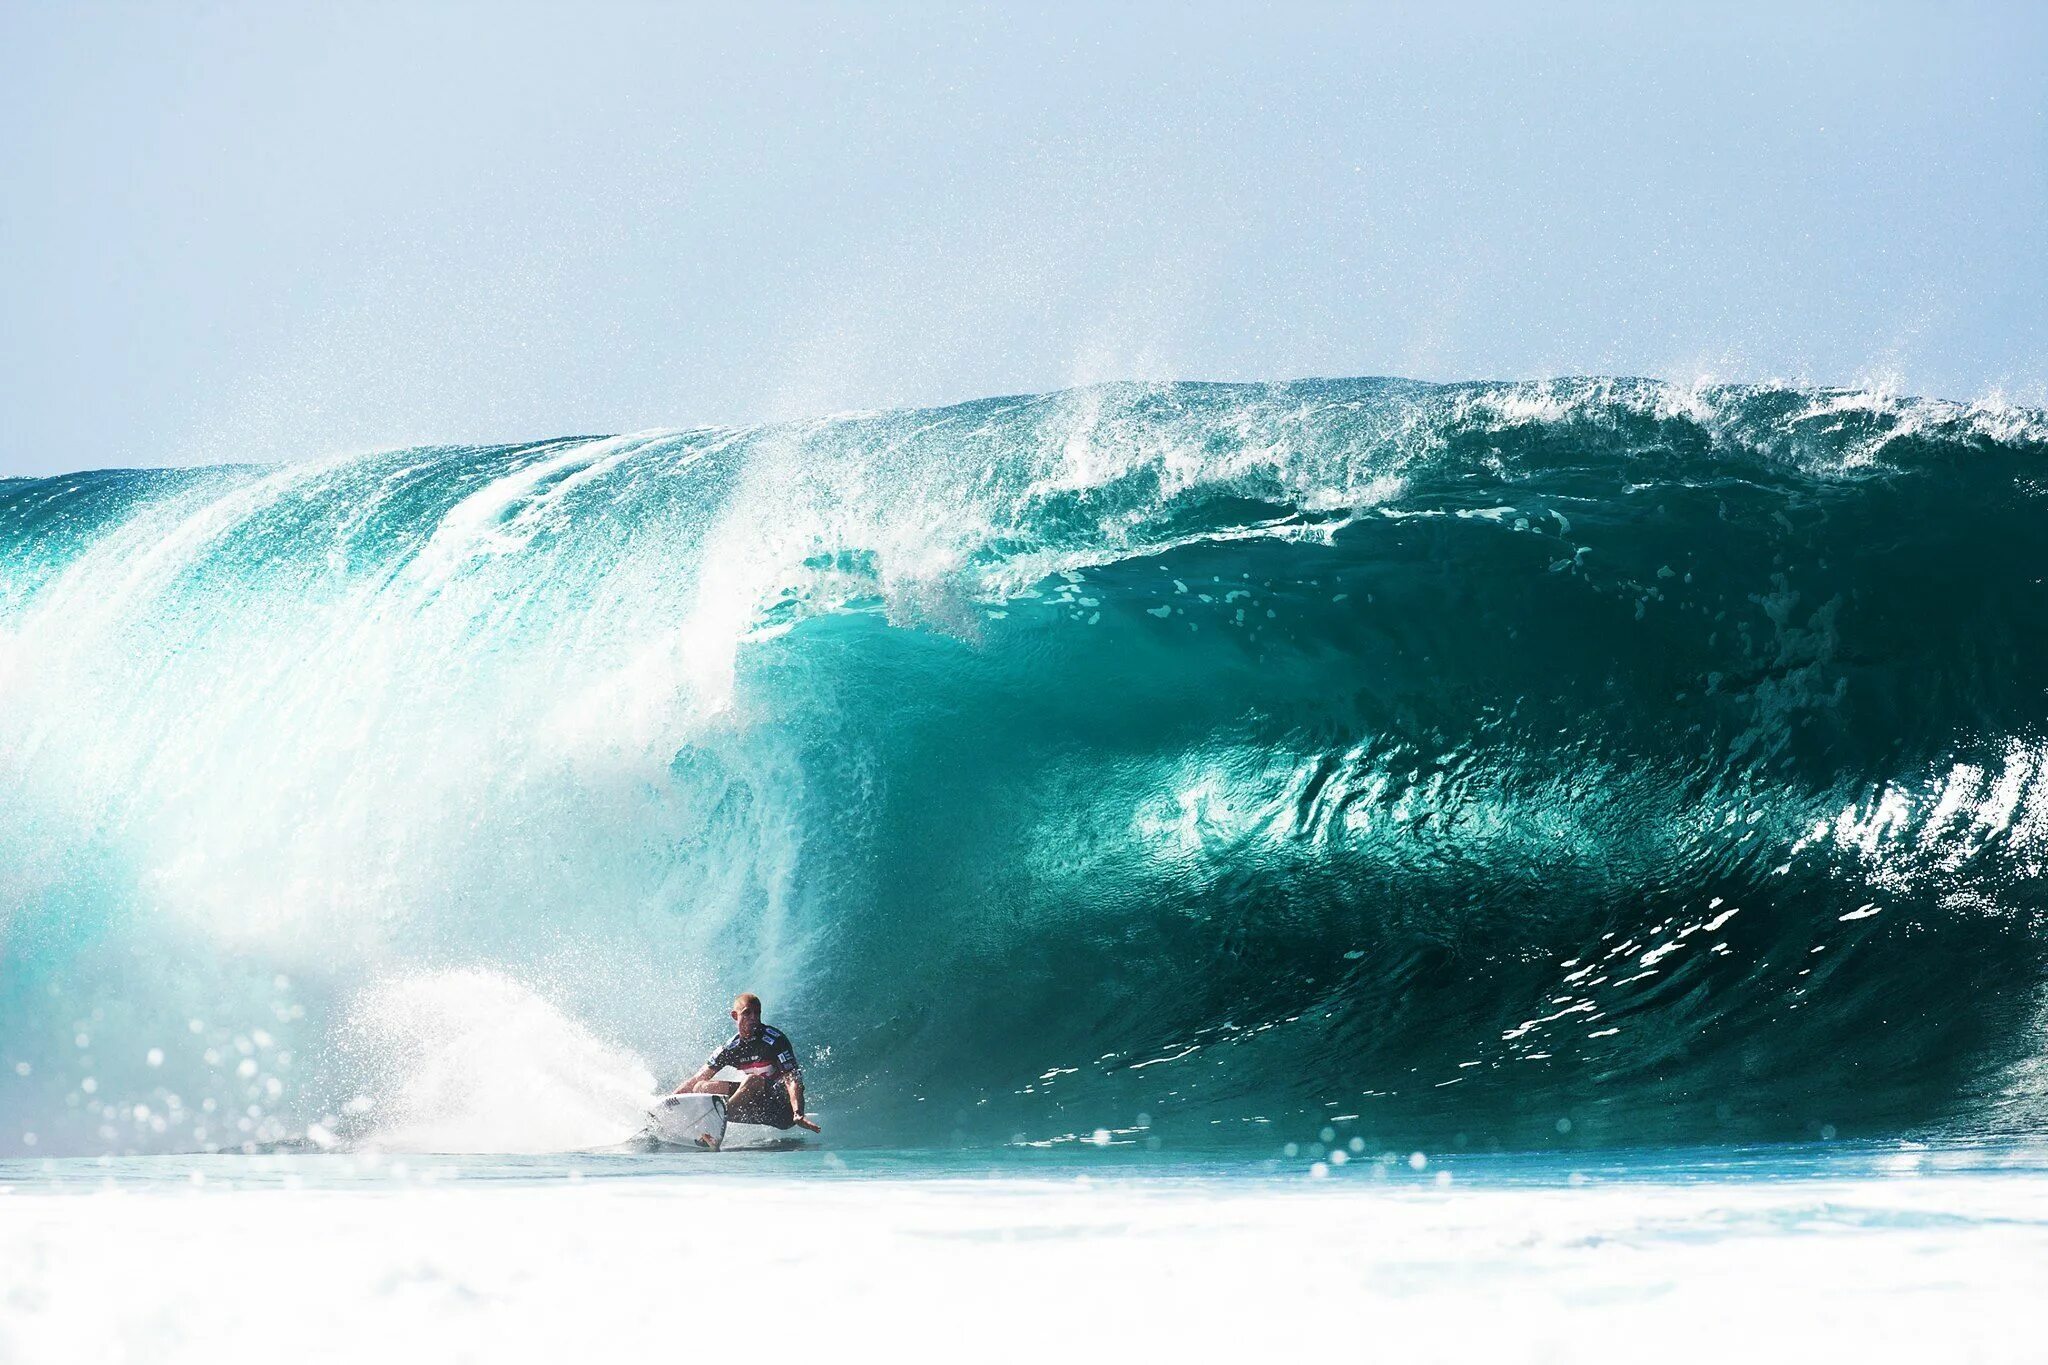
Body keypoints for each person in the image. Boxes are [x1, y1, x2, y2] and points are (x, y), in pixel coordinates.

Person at [674, 992, 819, 1136]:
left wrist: (797, 1112)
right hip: (756, 1110)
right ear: (735, 1016)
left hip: (783, 1111)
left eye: (757, 1013)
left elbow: (792, 1078)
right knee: (701, 1086)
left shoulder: (775, 1040)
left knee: (752, 1080)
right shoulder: (730, 1048)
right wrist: (668, 1101)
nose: (753, 1018)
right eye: (747, 1013)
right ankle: (702, 1132)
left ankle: (720, 1118)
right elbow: (696, 1078)